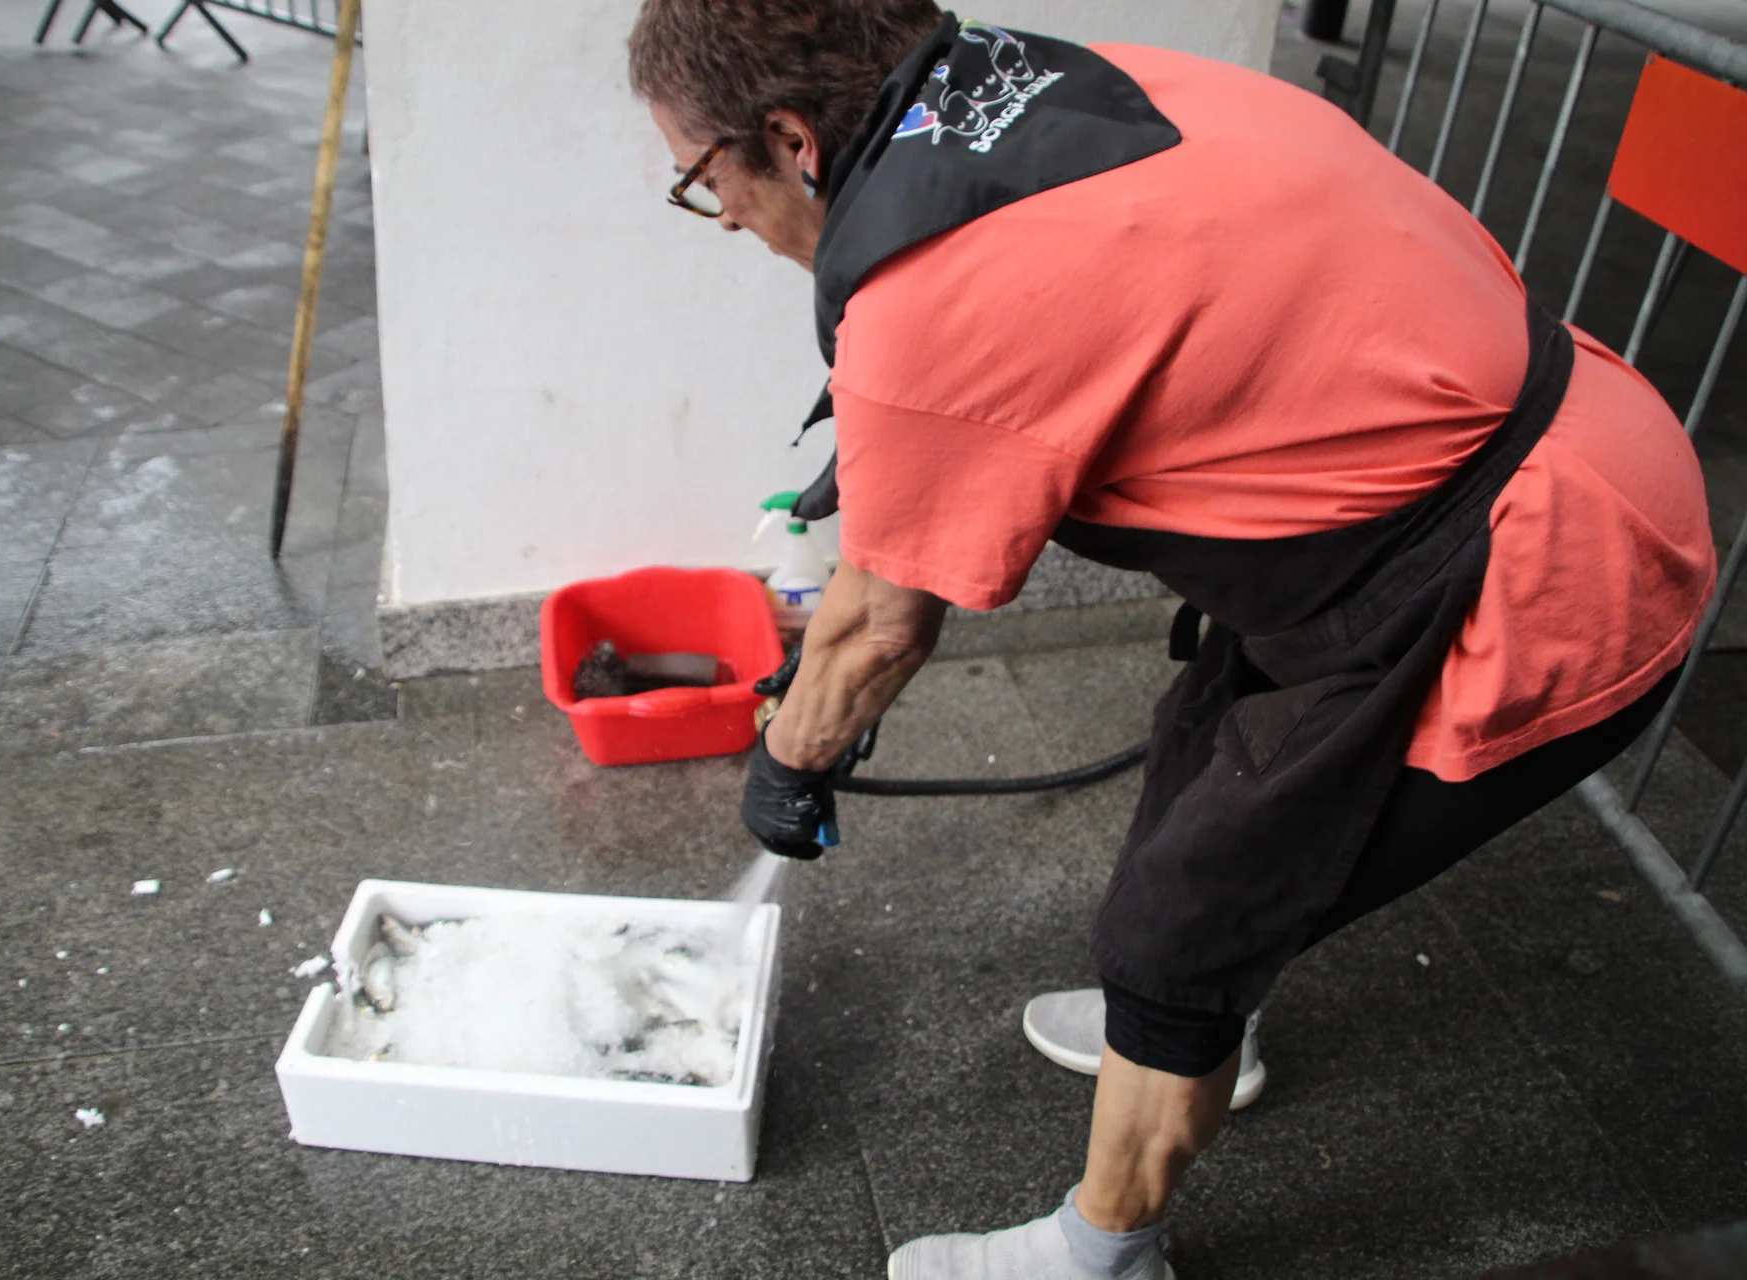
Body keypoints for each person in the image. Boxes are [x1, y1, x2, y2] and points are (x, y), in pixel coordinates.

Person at [627, 3, 1717, 1277]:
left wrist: (789, 760)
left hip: (1546, 574)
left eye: (703, 180)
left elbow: (874, 628)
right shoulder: (1080, 87)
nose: (723, 218)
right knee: (1204, 748)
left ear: (793, 140)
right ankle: (1202, 1031)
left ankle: (1107, 1248)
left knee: (1181, 924)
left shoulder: (931, 295)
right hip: (1509, 460)